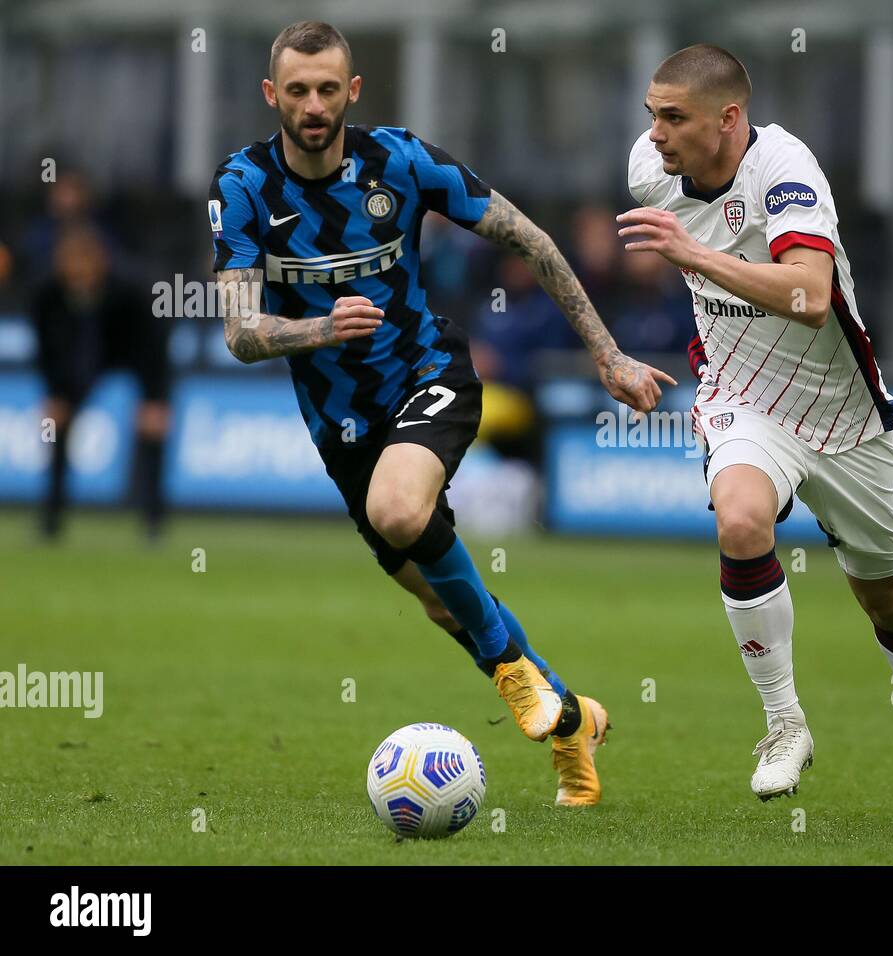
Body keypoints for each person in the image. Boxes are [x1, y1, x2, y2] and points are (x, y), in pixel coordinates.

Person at [210, 21, 674, 806]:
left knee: (399, 510)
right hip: (342, 427)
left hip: (430, 376)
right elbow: (239, 332)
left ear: (353, 91)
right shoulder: (245, 185)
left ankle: (511, 674)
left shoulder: (401, 160)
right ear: (272, 96)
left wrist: (607, 353)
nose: (314, 105)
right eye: (298, 91)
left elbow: (530, 240)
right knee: (439, 597)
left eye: (329, 89)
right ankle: (570, 721)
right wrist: (322, 327)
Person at [620, 44, 893, 829]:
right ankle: (785, 723)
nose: (656, 133)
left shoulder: (786, 169)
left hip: (845, 415)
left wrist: (694, 254)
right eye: (651, 114)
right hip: (744, 397)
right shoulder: (651, 169)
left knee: (889, 597)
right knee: (740, 520)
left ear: (729, 119)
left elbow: (812, 297)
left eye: (673, 117)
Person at [31, 225, 170, 539]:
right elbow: (46, 351)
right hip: (79, 362)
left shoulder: (134, 292)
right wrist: (54, 394)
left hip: (133, 354)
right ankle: (51, 519)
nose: (79, 274)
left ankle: (153, 521)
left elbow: (154, 346)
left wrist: (154, 398)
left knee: (152, 427)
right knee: (56, 426)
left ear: (101, 262)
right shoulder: (46, 295)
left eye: (85, 264)